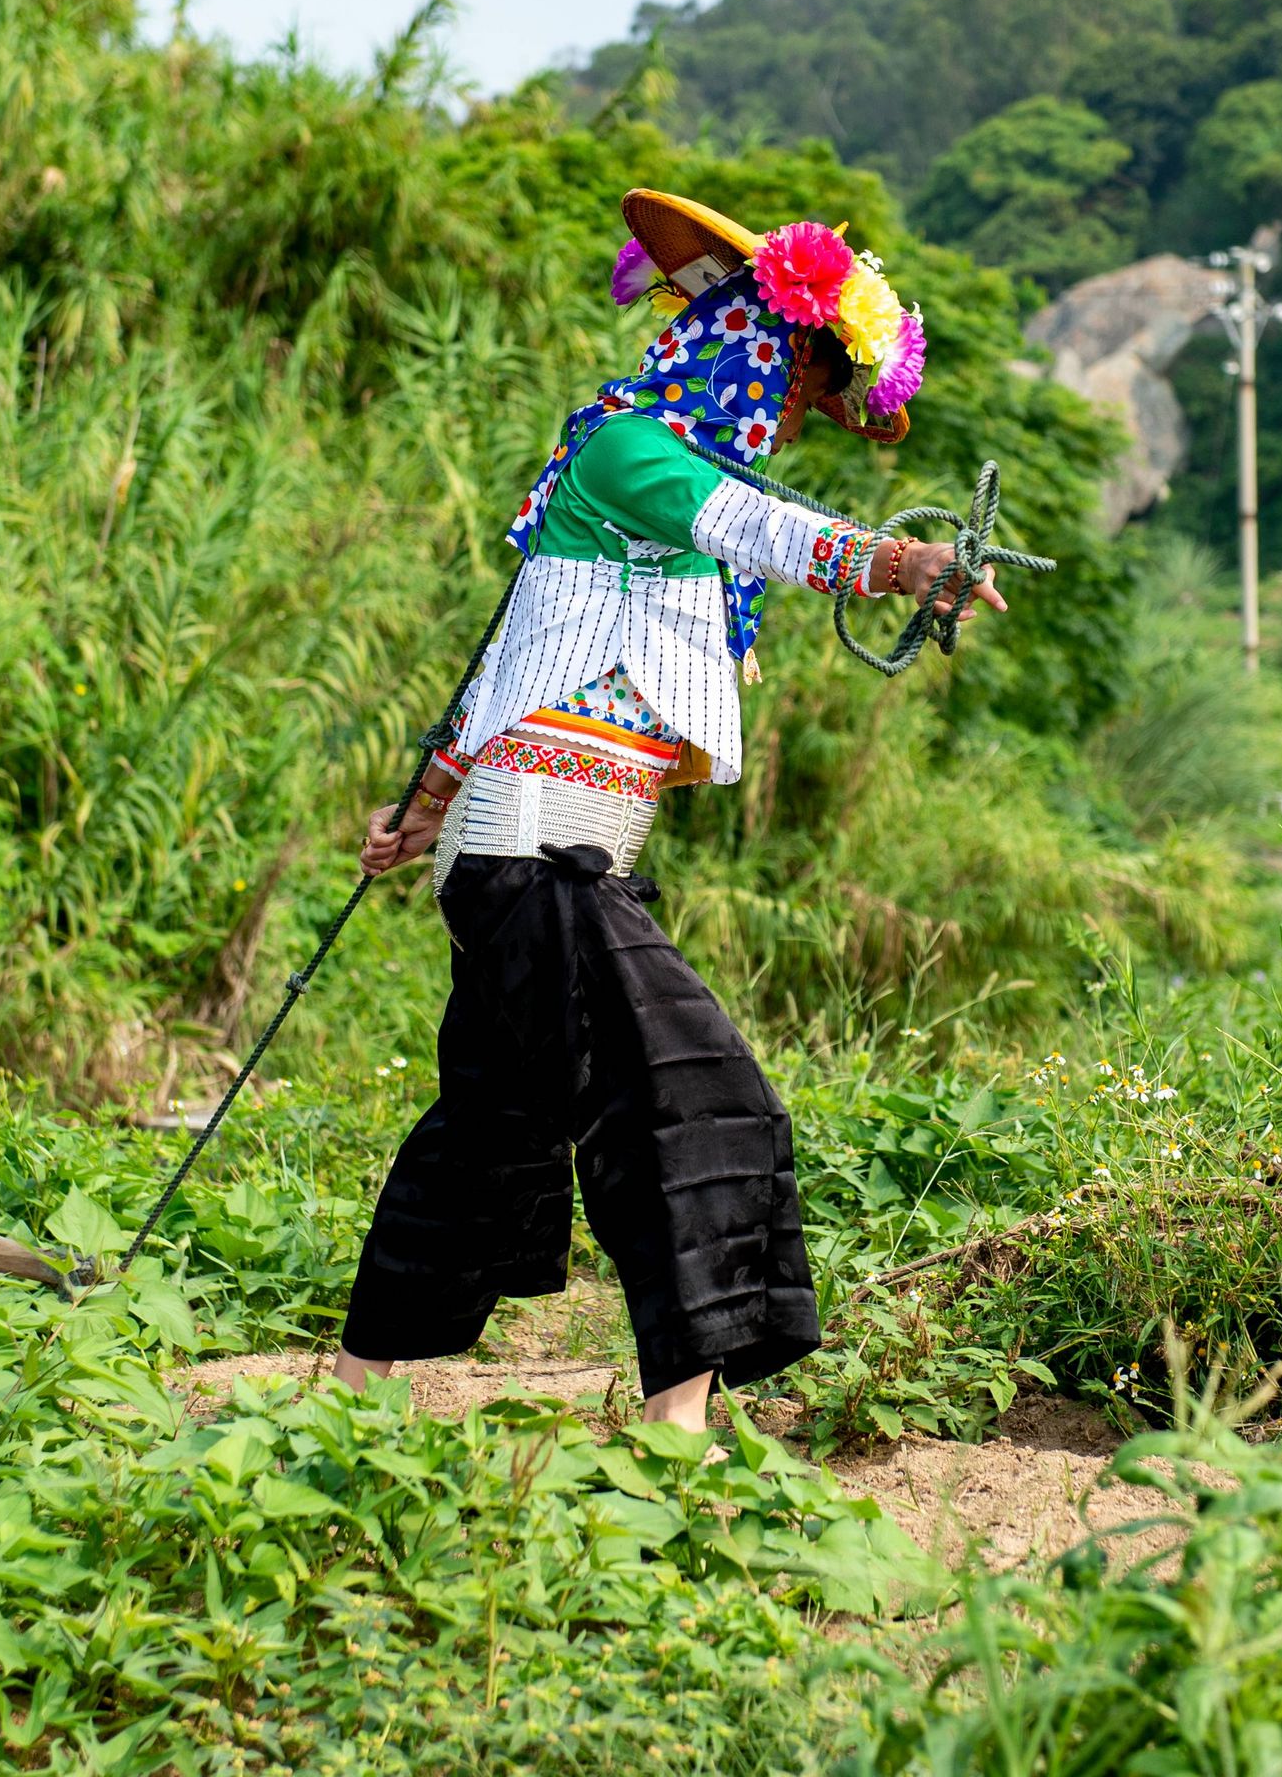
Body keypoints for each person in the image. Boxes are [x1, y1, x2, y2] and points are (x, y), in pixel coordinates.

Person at [331, 189, 1005, 1430]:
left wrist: (425, 801)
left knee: (492, 1122)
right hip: (539, 851)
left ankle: (356, 1389)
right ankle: (676, 1424)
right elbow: (757, 525)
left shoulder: (667, 505)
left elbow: (510, 657)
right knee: (700, 1097)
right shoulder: (631, 456)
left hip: (535, 851)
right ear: (742, 346)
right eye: (793, 381)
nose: (792, 413)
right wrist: (897, 562)